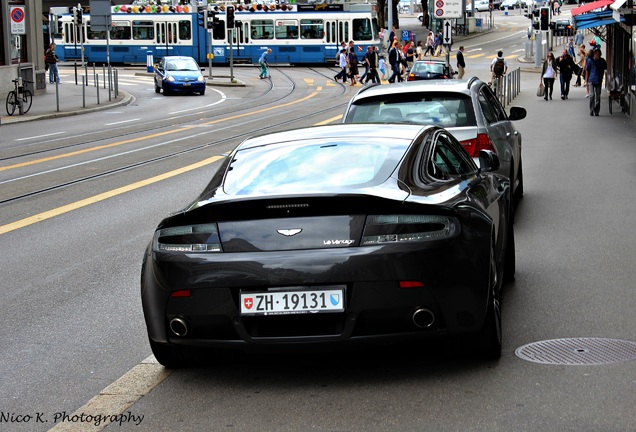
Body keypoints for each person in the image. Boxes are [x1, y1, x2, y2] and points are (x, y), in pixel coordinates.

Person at [585, 48, 607, 116]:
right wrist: (586, 80)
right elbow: (587, 70)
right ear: (594, 54)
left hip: (599, 80)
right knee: (592, 95)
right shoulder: (590, 61)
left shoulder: (602, 61)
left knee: (598, 96)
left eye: (600, 55)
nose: (599, 56)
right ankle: (591, 109)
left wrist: (602, 76)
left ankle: (597, 111)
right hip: (591, 80)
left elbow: (604, 69)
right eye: (597, 54)